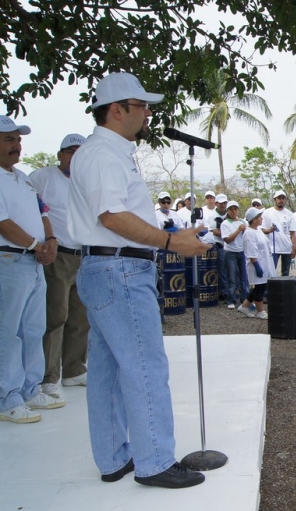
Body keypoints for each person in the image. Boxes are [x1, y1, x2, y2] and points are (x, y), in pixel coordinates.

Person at [69, 72, 207, 487]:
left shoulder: (106, 153)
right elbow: (111, 216)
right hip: (120, 269)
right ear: (117, 110)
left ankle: (114, 458)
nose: (148, 112)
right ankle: (155, 461)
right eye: (141, 105)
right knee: (145, 365)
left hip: (108, 268)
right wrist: (170, 241)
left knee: (109, 369)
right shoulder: (102, 155)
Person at [0, 115, 64, 424]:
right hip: (9, 260)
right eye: (8, 139)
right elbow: (3, 224)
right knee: (7, 333)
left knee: (32, 329)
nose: (16, 145)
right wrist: (36, 246)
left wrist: (50, 239)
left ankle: (29, 389)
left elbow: (43, 212)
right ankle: (6, 397)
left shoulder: (22, 178)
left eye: (18, 139)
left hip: (32, 262)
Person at [30, 133, 90, 399]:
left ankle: (74, 370)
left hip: (84, 256)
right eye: (70, 151)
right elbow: (29, 209)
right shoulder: (43, 177)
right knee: (55, 317)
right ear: (60, 155)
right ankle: (48, 376)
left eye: (80, 152)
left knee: (80, 318)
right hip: (58, 256)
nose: (75, 156)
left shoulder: (85, 182)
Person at [237, 207, 275, 319]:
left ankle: (244, 306)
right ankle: (260, 311)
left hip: (265, 263)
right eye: (259, 217)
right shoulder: (249, 234)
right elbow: (251, 252)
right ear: (254, 220)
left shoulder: (257, 230)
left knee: (261, 286)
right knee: (260, 288)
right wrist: (257, 266)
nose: (261, 218)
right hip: (257, 265)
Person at [220, 199, 247, 309]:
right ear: (228, 211)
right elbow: (227, 239)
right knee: (231, 276)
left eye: (235, 209)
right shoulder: (225, 223)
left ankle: (244, 298)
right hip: (230, 252)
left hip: (241, 251)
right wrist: (238, 230)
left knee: (243, 277)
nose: (233, 211)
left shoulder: (242, 222)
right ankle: (231, 299)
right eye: (231, 209)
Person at [262, 189, 294, 276]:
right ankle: (270, 289)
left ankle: (283, 289)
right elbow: (261, 229)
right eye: (279, 198)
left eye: (283, 198)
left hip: (287, 247)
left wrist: (293, 248)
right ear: (275, 199)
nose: (281, 200)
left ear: (285, 200)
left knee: (285, 273)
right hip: (273, 248)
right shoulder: (267, 213)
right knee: (271, 271)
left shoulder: (290, 214)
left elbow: (292, 233)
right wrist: (269, 230)